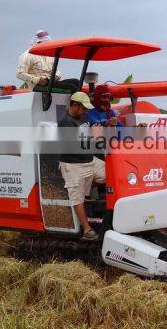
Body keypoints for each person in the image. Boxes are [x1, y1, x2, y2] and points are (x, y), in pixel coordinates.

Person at [58, 92, 105, 240]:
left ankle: (87, 188)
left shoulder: (82, 116)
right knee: (77, 198)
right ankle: (87, 230)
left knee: (111, 174)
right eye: (83, 108)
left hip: (89, 160)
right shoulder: (66, 122)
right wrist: (95, 137)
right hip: (73, 165)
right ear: (75, 105)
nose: (86, 111)